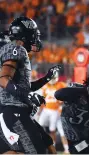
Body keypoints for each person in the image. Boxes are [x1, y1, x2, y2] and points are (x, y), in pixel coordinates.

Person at [0, 17, 62, 154]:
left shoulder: (16, 51)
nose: (35, 37)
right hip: (13, 111)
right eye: (33, 33)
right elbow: (4, 79)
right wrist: (27, 96)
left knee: (48, 146)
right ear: (25, 33)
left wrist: (46, 78)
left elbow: (24, 86)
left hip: (16, 111)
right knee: (37, 151)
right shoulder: (16, 48)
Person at [37, 72, 67, 152]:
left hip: (56, 111)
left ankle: (54, 147)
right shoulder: (45, 86)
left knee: (54, 130)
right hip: (46, 110)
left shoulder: (61, 85)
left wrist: (61, 103)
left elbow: (65, 97)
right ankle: (44, 145)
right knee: (39, 125)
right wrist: (40, 110)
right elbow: (42, 100)